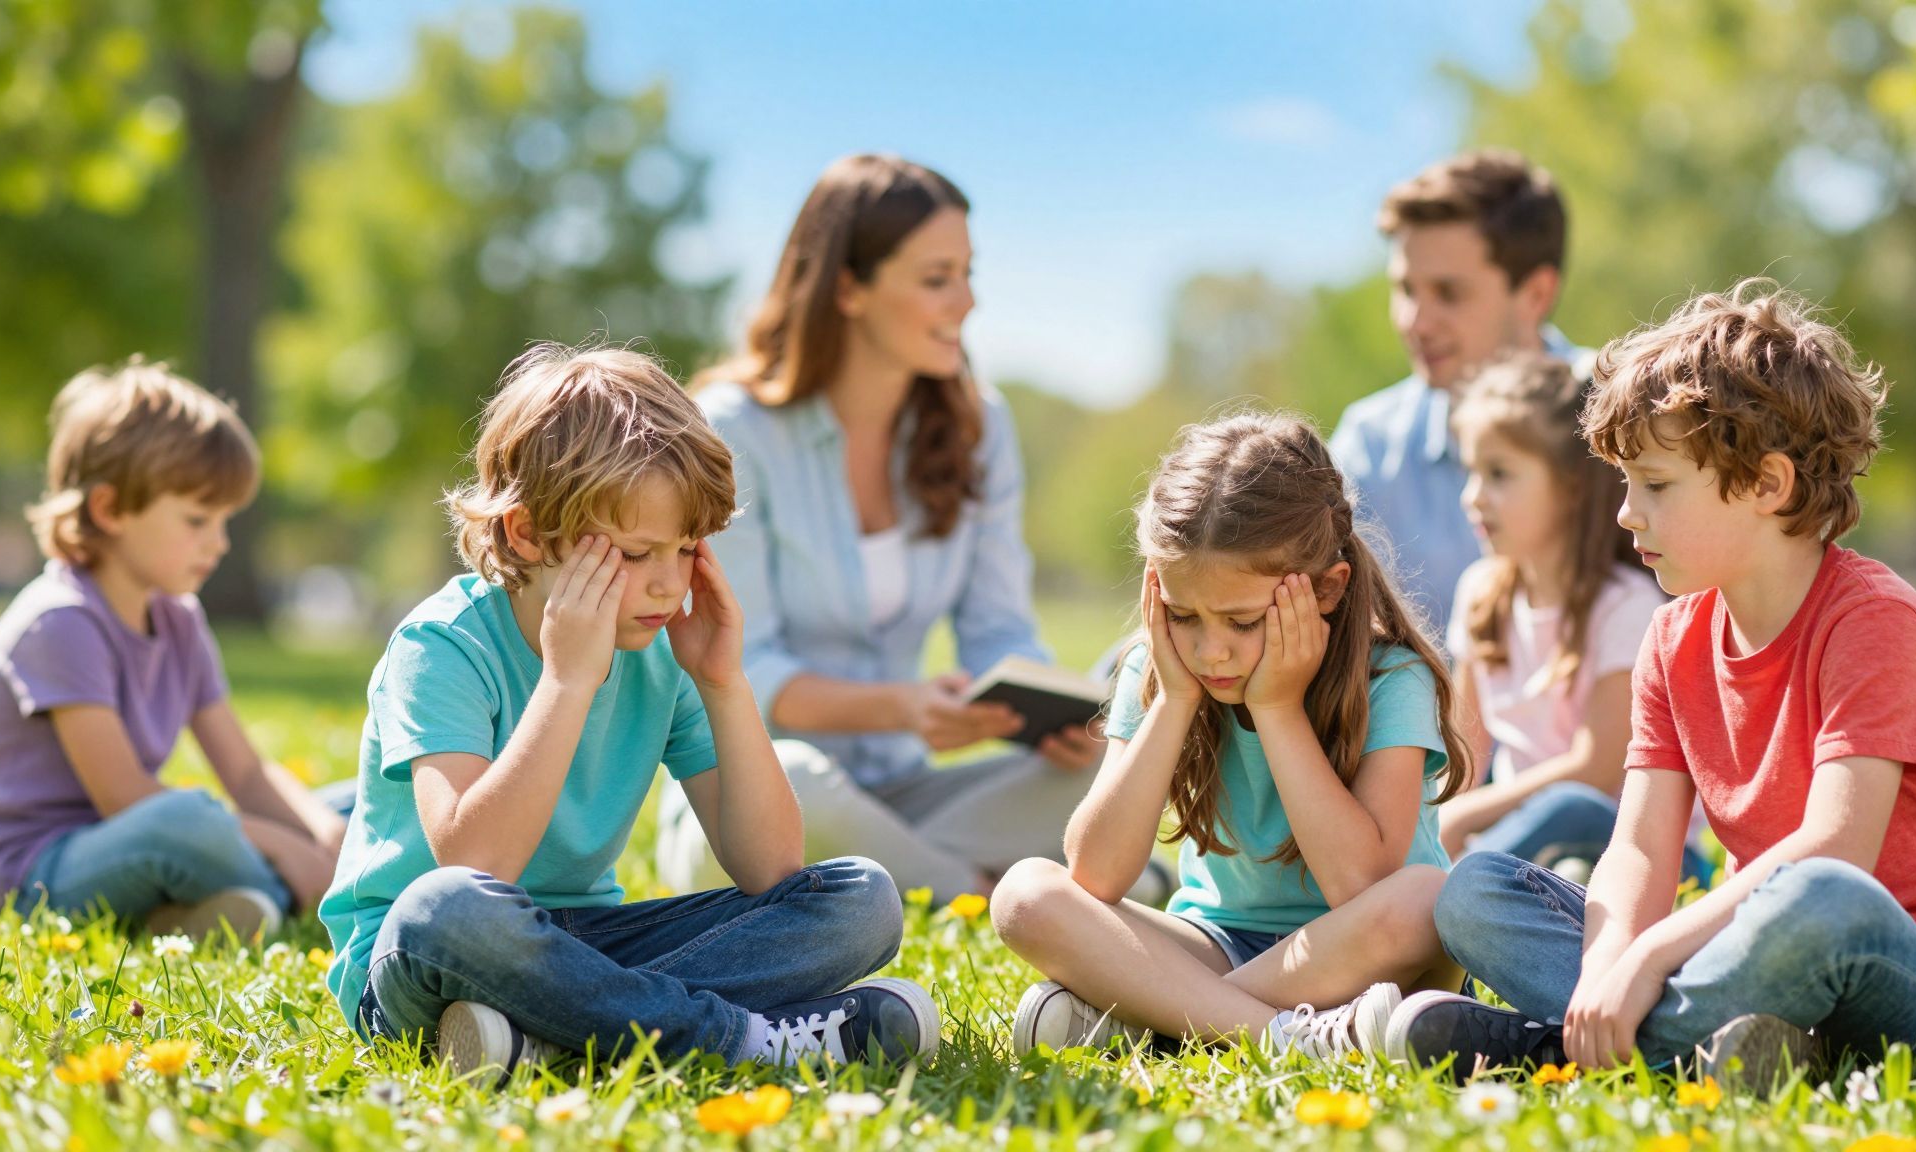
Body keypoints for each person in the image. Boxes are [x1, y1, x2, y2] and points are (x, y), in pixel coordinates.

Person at [1390, 280, 1916, 1085]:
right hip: (1738, 952)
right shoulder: (1672, 638)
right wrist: (1612, 960)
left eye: (1656, 484)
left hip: (1900, 973)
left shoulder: (1875, 621)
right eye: (1624, 484)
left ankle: (1557, 1052)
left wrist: (1653, 954)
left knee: (1817, 895)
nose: (1625, 515)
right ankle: (1709, 1040)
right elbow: (1641, 846)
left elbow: (1836, 852)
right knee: (1473, 891)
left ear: (1766, 485)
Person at [318, 344, 937, 1084]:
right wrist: (566, 682)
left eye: (684, 549)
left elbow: (770, 866)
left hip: (588, 946)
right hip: (431, 958)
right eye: (638, 553)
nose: (667, 585)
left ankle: (556, 1033)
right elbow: (478, 865)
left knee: (861, 899)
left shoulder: (663, 651)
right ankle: (747, 1041)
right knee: (444, 907)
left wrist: (724, 682)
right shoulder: (442, 646)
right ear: (525, 534)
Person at [656, 154, 1139, 905]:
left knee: (1117, 761)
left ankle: (892, 876)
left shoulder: (980, 425)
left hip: (907, 793)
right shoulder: (731, 431)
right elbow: (744, 667)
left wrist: (1049, 718)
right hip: (752, 795)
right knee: (801, 782)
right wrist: (901, 706)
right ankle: (986, 893)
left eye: (969, 274)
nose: (968, 302)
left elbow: (999, 627)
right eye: (937, 278)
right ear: (848, 287)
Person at [988, 412, 1473, 1061]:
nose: (1211, 651)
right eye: (1184, 615)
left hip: (1359, 952)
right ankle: (1278, 1035)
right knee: (1026, 894)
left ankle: (1163, 1017)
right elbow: (1096, 874)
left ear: (1327, 590)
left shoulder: (1391, 678)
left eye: (1242, 621)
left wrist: (1277, 709)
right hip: (1215, 941)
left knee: (1425, 899)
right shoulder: (1163, 671)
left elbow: (1362, 888)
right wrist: (1173, 700)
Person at [0, 359, 345, 939]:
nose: (220, 542)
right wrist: (285, 844)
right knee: (187, 822)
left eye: (226, 520)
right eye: (197, 519)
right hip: (39, 874)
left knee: (358, 802)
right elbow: (125, 798)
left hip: (140, 845)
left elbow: (247, 773)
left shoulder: (179, 617)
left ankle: (201, 912)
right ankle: (296, 890)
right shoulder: (60, 621)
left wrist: (324, 832)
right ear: (108, 510)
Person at [1436, 353, 1697, 883]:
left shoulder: (1624, 605)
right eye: (1471, 472)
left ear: (1570, 485)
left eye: (1500, 474)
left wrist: (1469, 816)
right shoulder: (1481, 593)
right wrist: (1439, 818)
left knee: (1569, 809)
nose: (1473, 497)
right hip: (1518, 845)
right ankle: (1448, 891)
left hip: (1632, 849)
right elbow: (1465, 754)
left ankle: (1447, 893)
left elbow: (1597, 768)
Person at [1329, 149, 1580, 637]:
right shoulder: (1368, 448)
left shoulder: (1629, 423)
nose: (1415, 323)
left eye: (1448, 293)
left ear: (1536, 295)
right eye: (1405, 290)